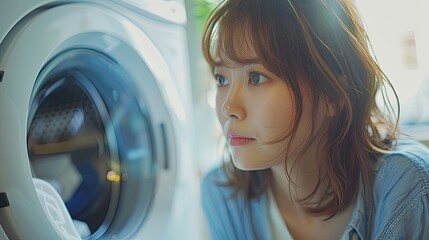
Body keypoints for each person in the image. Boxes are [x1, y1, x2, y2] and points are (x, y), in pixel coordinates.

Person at [200, 0, 429, 239]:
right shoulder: (221, 195)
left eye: (256, 77)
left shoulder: (405, 189)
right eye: (222, 79)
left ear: (333, 94)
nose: (228, 107)